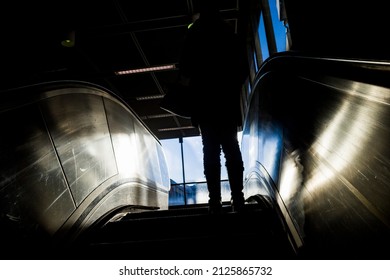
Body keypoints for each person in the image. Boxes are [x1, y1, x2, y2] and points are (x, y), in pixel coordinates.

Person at [179, 0, 249, 214]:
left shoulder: (195, 34)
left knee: (210, 151)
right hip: (226, 101)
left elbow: (185, 68)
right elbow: (243, 70)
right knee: (231, 148)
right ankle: (238, 199)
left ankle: (215, 201)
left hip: (205, 101)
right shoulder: (229, 33)